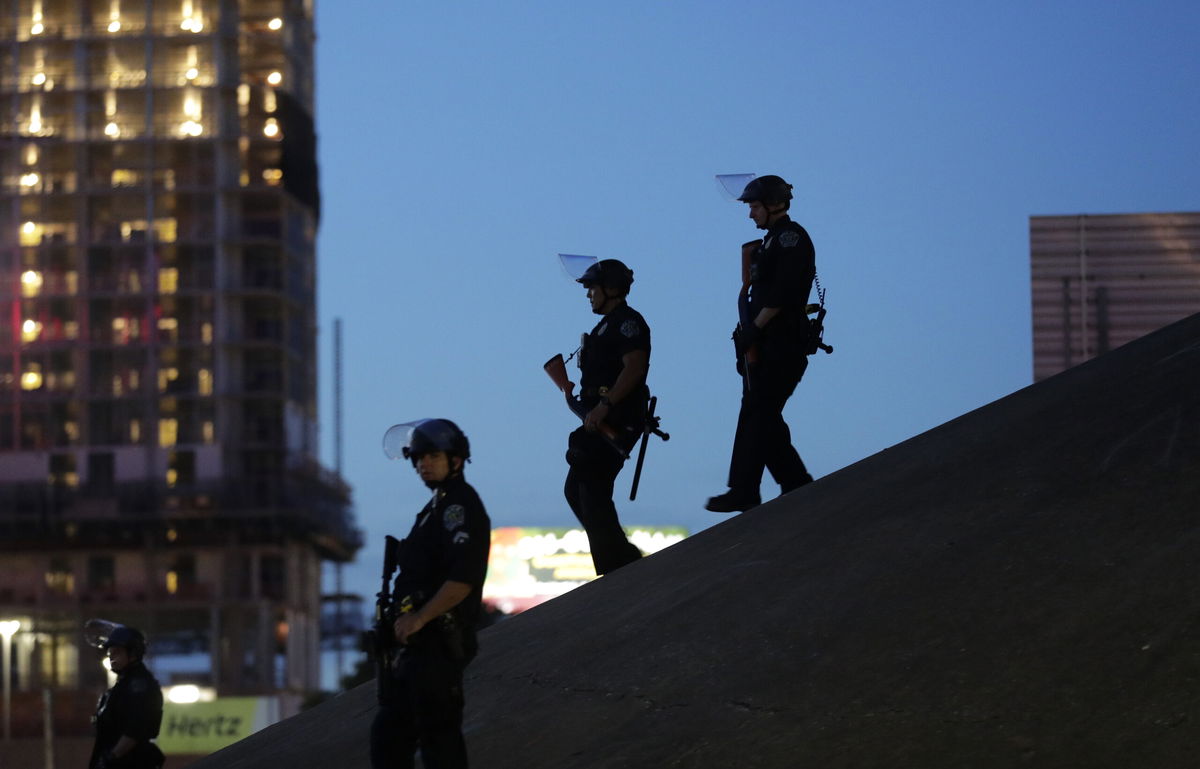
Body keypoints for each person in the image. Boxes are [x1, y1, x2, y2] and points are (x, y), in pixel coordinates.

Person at [372, 419, 491, 769]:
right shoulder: (436, 507)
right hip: (417, 648)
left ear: (455, 459)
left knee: (439, 743)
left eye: (433, 456)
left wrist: (420, 617)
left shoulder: (459, 506)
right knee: (389, 740)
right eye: (419, 457)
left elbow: (463, 579)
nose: (423, 464)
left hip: (438, 644)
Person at [706, 174, 816, 513]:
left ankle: (745, 490)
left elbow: (782, 292)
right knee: (760, 414)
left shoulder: (789, 238)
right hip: (767, 344)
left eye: (754, 206)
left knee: (758, 413)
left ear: (774, 204)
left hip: (782, 343)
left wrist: (755, 328)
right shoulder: (772, 241)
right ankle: (792, 480)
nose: (751, 213)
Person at [564, 259, 649, 575]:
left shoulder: (628, 322)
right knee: (576, 489)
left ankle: (616, 566)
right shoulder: (605, 325)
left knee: (592, 486)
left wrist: (605, 405)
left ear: (611, 289)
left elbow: (634, 368)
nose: (588, 294)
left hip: (617, 419)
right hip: (598, 421)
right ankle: (620, 555)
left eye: (592, 288)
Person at [86, 623, 165, 769]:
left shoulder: (140, 687)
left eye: (117, 652)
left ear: (133, 654)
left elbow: (135, 730)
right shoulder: (124, 684)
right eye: (110, 653)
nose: (111, 657)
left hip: (131, 763)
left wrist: (112, 757)